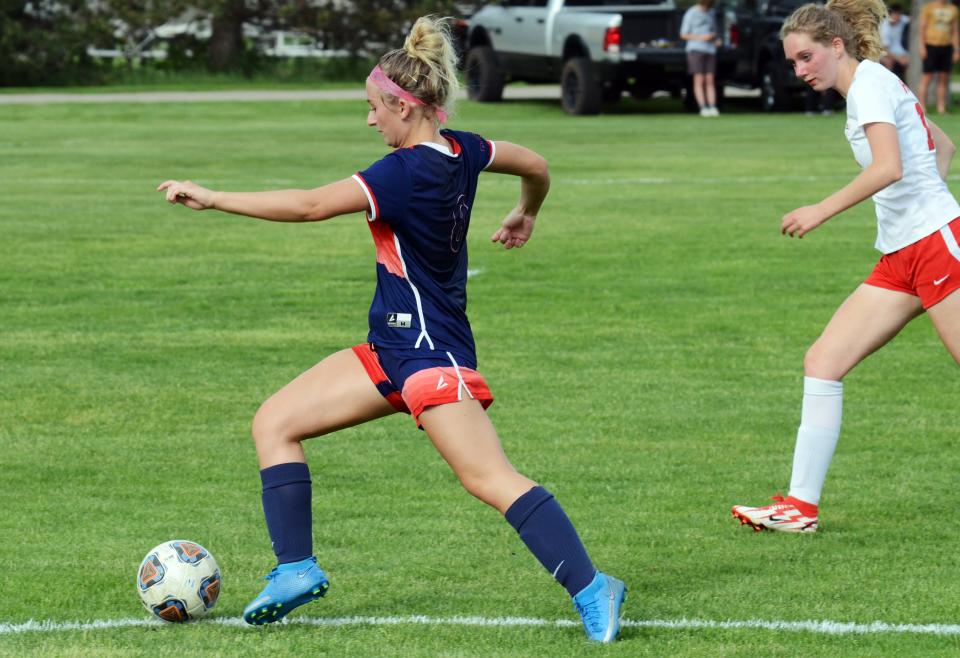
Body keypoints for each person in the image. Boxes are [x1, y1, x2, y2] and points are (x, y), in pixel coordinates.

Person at [156, 15, 626, 643]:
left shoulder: (402, 174)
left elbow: (310, 205)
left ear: (404, 105)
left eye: (374, 107)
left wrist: (214, 198)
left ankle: (593, 586)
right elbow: (536, 163)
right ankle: (295, 569)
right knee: (275, 422)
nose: (370, 120)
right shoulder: (465, 150)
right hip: (391, 350)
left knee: (488, 477)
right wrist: (525, 212)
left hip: (431, 356)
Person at [731, 0, 960, 533]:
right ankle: (800, 508)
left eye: (806, 57)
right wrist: (925, 203)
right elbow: (941, 145)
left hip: (934, 246)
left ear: (837, 46)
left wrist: (821, 210)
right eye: (792, 63)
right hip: (905, 253)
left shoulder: (870, 85)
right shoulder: (873, 84)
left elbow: (889, 166)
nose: (800, 70)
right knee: (824, 361)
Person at [681, 0, 722, 116]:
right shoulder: (691, 13)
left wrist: (716, 40)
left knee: (710, 80)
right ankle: (702, 107)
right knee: (699, 79)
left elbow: (714, 31)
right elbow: (683, 34)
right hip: (696, 49)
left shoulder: (711, 13)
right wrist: (702, 38)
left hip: (710, 49)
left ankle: (712, 106)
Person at [918, 0, 960, 113]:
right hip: (931, 45)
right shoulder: (928, 7)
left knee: (943, 78)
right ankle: (922, 106)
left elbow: (955, 31)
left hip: (946, 47)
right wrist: (922, 46)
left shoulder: (953, 9)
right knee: (927, 77)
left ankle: (941, 107)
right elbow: (922, 28)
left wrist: (956, 50)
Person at [879, 2, 910, 79]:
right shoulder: (884, 27)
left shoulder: (903, 20)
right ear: (890, 14)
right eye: (895, 14)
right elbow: (885, 49)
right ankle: (887, 83)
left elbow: (912, 19)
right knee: (889, 62)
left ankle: (905, 85)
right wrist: (899, 59)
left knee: (909, 62)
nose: (897, 17)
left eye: (899, 14)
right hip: (885, 52)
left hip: (900, 51)